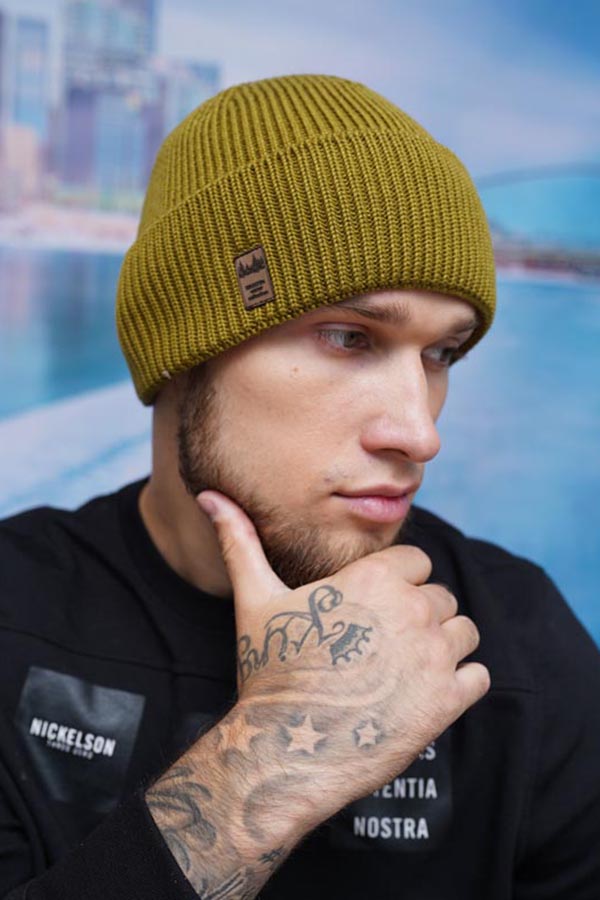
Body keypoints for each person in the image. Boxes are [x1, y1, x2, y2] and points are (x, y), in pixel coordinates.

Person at [0, 74, 599, 900]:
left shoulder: (518, 646)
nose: (420, 431)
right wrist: (266, 766)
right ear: (183, 349)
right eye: (349, 336)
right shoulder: (14, 609)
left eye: (441, 355)